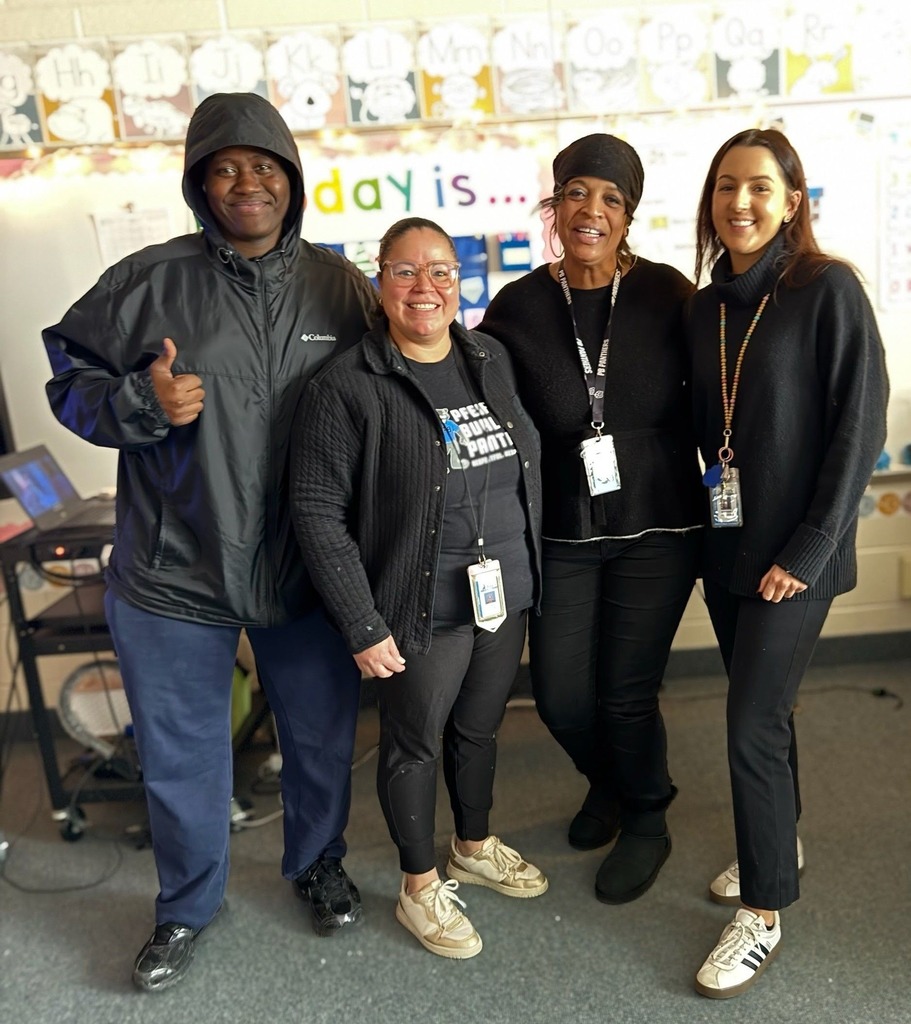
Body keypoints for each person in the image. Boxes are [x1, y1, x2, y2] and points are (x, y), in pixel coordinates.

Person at [42, 92, 378, 991]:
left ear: (291, 179)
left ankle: (315, 863)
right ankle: (186, 906)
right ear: (199, 183)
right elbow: (67, 378)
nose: (246, 182)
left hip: (304, 563)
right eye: (224, 167)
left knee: (318, 736)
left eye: (263, 165)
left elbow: (385, 400)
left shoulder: (340, 287)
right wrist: (137, 404)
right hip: (173, 567)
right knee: (183, 751)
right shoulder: (147, 282)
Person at [290, 216, 547, 960]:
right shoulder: (347, 384)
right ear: (379, 283)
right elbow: (314, 510)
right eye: (405, 272)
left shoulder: (488, 357)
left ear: (458, 281)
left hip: (502, 588)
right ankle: (418, 884)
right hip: (418, 603)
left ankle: (472, 842)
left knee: (479, 729)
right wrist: (363, 624)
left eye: (439, 271)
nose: (424, 287)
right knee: (413, 744)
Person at [686, 128, 889, 998]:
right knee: (764, 712)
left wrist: (809, 548)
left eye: (759, 188)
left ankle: (763, 910)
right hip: (728, 547)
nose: (740, 203)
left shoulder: (826, 288)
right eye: (726, 187)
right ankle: (782, 833)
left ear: (791, 200)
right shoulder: (706, 305)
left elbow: (861, 426)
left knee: (748, 725)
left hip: (795, 555)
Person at [480, 134, 704, 904]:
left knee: (622, 692)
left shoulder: (669, 294)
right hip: (564, 531)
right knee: (560, 698)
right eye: (578, 192)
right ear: (555, 205)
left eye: (611, 199)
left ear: (627, 216)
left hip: (659, 527)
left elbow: (719, 392)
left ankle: (646, 813)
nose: (592, 210)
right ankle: (608, 782)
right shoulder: (516, 305)